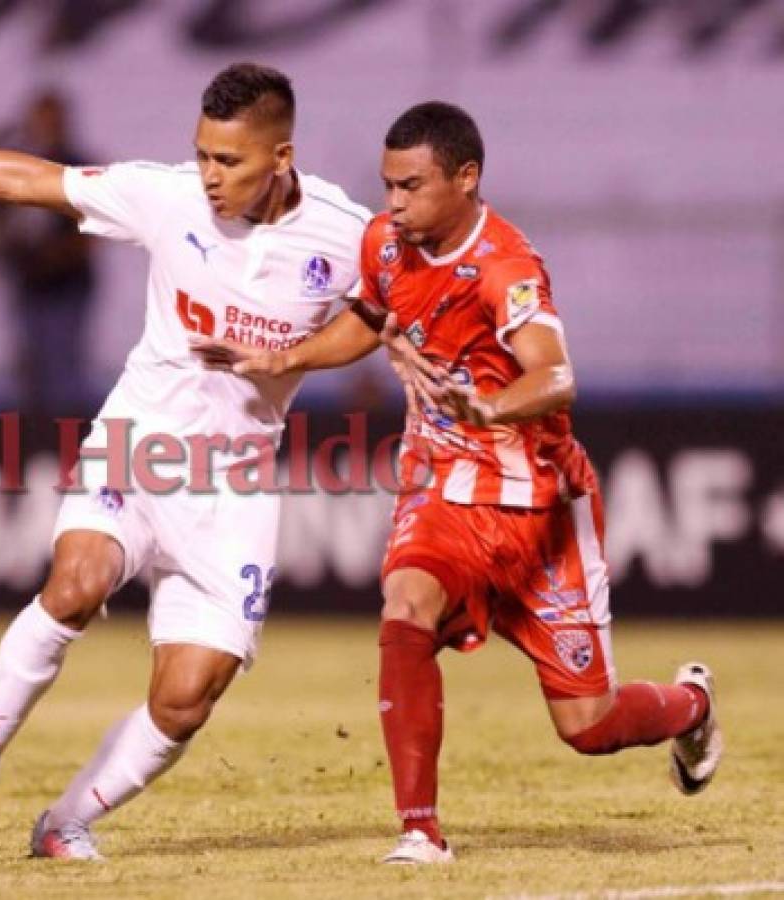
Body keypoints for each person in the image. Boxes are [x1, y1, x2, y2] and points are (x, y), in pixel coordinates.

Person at [0, 63, 372, 859]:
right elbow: (26, 182)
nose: (209, 177)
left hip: (234, 485)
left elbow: (379, 316)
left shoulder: (345, 234)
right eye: (203, 155)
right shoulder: (167, 194)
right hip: (136, 439)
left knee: (185, 701)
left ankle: (64, 821)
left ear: (280, 157)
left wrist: (296, 358)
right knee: (75, 583)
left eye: (229, 162)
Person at [194, 101, 722, 865]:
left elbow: (556, 374)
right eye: (386, 186)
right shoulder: (385, 242)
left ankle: (691, 705)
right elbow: (372, 318)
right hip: (441, 491)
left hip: (539, 511)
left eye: (410, 187)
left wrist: (490, 404)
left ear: (466, 178)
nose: (393, 205)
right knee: (405, 606)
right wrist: (289, 359)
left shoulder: (505, 268)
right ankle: (420, 830)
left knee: (589, 728)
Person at [0, 89, 97, 410]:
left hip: (66, 283)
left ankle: (70, 435)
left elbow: (94, 229)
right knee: (29, 366)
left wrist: (61, 254)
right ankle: (34, 437)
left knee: (63, 364)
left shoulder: (78, 167)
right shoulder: (18, 165)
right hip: (28, 283)